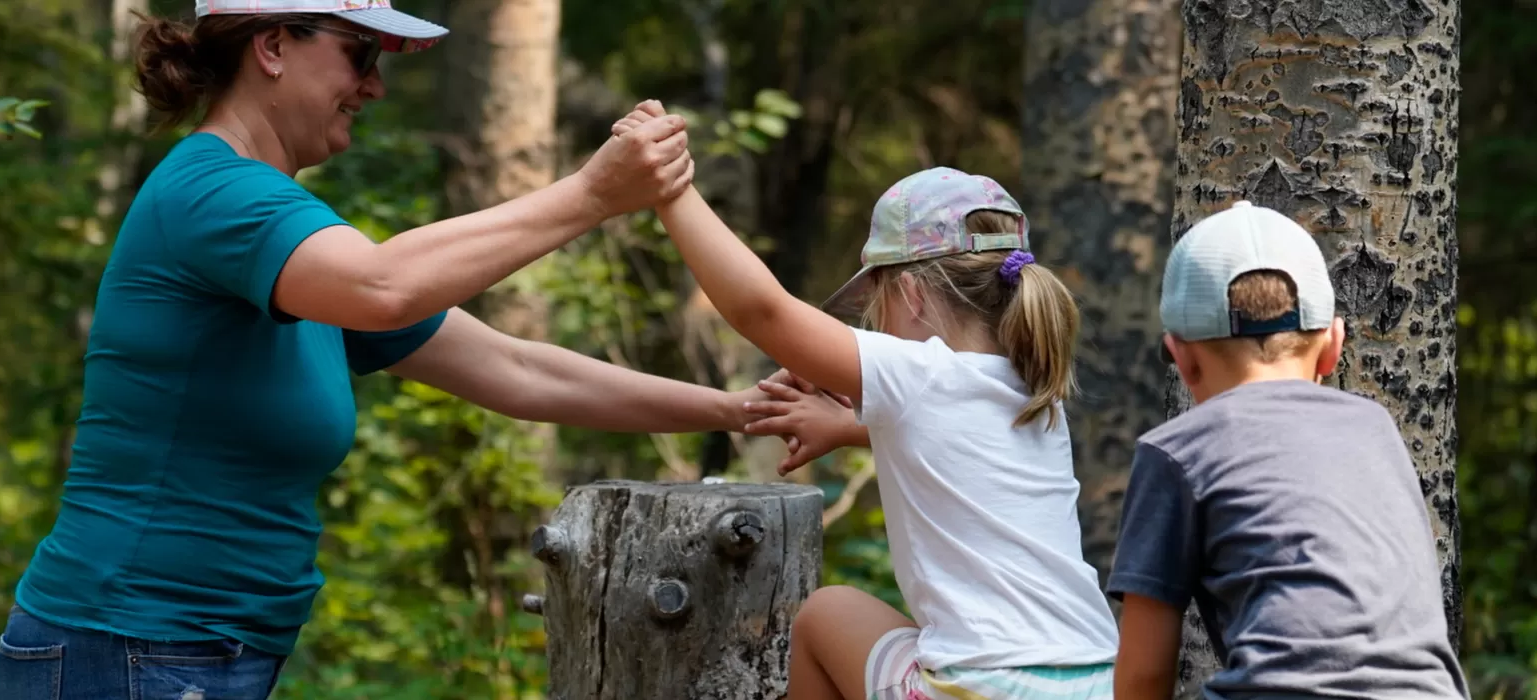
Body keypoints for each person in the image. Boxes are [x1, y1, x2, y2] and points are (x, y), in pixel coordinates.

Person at [0, 3, 776, 698]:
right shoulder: (213, 193)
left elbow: (516, 368)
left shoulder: (290, 240)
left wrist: (741, 409)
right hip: (132, 642)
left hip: (188, 649)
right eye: (359, 55)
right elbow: (383, 285)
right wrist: (593, 195)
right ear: (271, 46)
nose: (373, 87)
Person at [619, 108, 1122, 699]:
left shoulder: (920, 372)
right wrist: (846, 425)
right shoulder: (1035, 391)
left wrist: (670, 191)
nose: (873, 324)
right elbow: (963, 454)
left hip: (984, 687)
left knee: (825, 615)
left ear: (908, 293)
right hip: (1096, 679)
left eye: (874, 304)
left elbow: (764, 311)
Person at [1104, 201, 1470, 699]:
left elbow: (1145, 675)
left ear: (1181, 357)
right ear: (1333, 345)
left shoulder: (1176, 451)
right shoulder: (1376, 429)